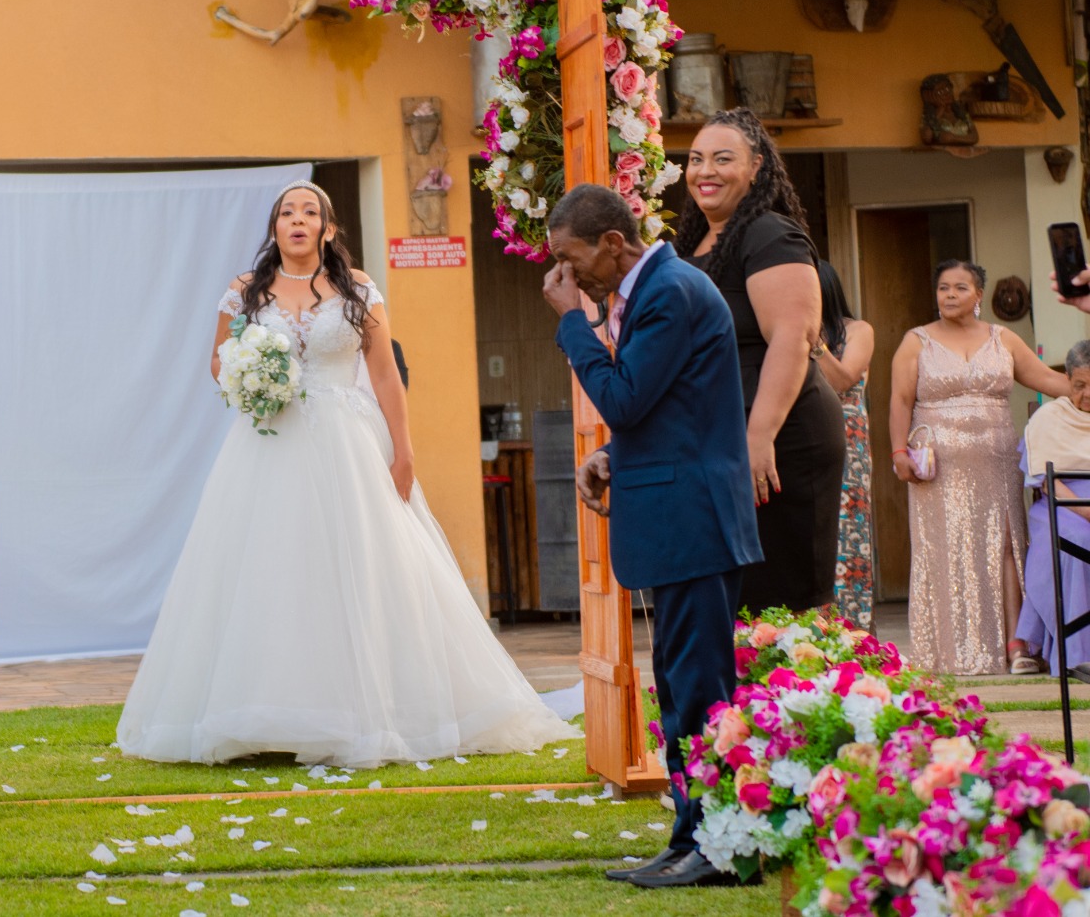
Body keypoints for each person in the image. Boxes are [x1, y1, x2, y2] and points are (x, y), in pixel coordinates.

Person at [116, 181, 577, 767]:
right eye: (288, 213)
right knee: (268, 571)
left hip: (346, 443)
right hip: (268, 445)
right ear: (275, 228)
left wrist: (403, 451)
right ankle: (261, 711)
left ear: (329, 229)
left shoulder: (357, 290)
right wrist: (251, 372)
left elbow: (384, 374)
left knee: (360, 564)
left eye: (311, 212)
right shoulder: (244, 293)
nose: (298, 221)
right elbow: (217, 359)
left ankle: (366, 710)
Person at [544, 183, 760, 889]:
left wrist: (572, 324)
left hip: (694, 516)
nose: (569, 279)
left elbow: (625, 395)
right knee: (679, 688)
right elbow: (669, 408)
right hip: (676, 508)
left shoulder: (670, 290)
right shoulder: (652, 290)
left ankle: (721, 846)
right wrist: (613, 456)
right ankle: (690, 834)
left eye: (573, 262)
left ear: (612, 242)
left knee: (699, 692)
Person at [673, 107, 845, 615]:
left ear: (757, 168)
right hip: (722, 435)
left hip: (779, 434)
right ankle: (745, 695)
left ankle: (812, 694)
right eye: (696, 159)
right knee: (737, 598)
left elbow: (794, 337)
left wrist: (758, 436)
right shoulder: (695, 243)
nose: (706, 171)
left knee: (782, 601)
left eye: (723, 159)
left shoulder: (770, 234)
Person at [887, 260, 1069, 675]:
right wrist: (899, 452)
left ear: (978, 295)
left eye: (959, 288)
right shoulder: (916, 342)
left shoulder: (1002, 338)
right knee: (946, 550)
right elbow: (900, 400)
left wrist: (1082, 388)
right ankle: (950, 650)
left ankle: (1018, 646)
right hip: (938, 464)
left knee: (1004, 547)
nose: (949, 295)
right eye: (943, 288)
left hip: (997, 459)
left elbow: (1043, 377)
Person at [1014, 339, 1090, 675]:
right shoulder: (1049, 418)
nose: (1087, 394)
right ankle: (1078, 653)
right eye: (1079, 385)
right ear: (1068, 380)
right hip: (1061, 503)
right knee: (1077, 541)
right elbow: (1047, 479)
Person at [815, 262, 876, 631]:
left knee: (846, 536)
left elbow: (842, 379)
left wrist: (811, 341)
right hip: (800, 435)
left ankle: (851, 633)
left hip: (846, 438)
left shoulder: (858, 331)